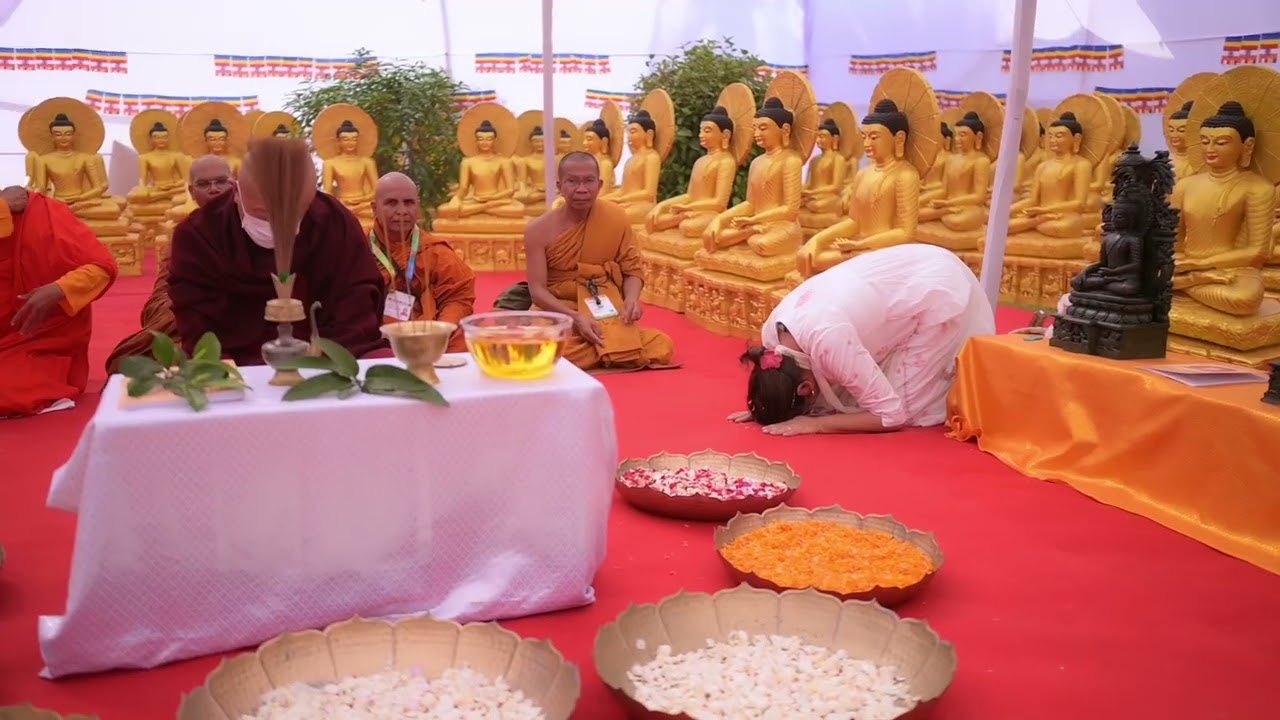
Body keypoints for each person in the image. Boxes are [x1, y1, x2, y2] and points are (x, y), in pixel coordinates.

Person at [731, 244, 994, 436]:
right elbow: (785, 377)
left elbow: (891, 417)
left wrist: (814, 424)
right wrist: (767, 404)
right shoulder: (772, 334)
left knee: (911, 408)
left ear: (805, 389)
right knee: (853, 398)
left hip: (934, 287)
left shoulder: (827, 340)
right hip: (902, 272)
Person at [167, 140, 387, 365]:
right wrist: (224, 367)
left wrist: (327, 357)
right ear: (236, 192)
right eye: (263, 214)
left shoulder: (334, 222)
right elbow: (195, 321)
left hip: (326, 350)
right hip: (236, 357)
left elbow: (357, 300)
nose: (278, 225)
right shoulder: (199, 234)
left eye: (293, 214)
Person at [523, 151, 674, 371]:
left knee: (662, 345)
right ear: (559, 185)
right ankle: (617, 351)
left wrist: (631, 300)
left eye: (589, 181)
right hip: (559, 310)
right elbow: (537, 291)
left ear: (600, 184)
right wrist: (574, 317)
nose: (581, 189)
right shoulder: (537, 230)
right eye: (572, 181)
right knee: (538, 345)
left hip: (602, 305)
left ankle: (606, 350)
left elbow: (632, 270)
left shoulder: (615, 217)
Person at [104, 155, 234, 373]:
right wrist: (187, 309)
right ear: (191, 192)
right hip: (186, 314)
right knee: (125, 365)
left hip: (240, 314)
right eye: (204, 184)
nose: (213, 189)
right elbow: (165, 286)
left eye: (221, 182)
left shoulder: (253, 224)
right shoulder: (186, 232)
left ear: (235, 183)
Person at [1, 186, 118, 417]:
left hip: (39, 336)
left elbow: (102, 267)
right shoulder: (6, 205)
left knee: (7, 390)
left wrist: (59, 289)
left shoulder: (37, 213)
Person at [370, 172, 475, 352]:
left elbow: (458, 298)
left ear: (417, 207)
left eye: (409, 203)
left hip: (432, 333)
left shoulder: (434, 250)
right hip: (378, 337)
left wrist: (440, 331)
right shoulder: (359, 250)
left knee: (465, 340)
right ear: (374, 208)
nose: (402, 211)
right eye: (391, 203)